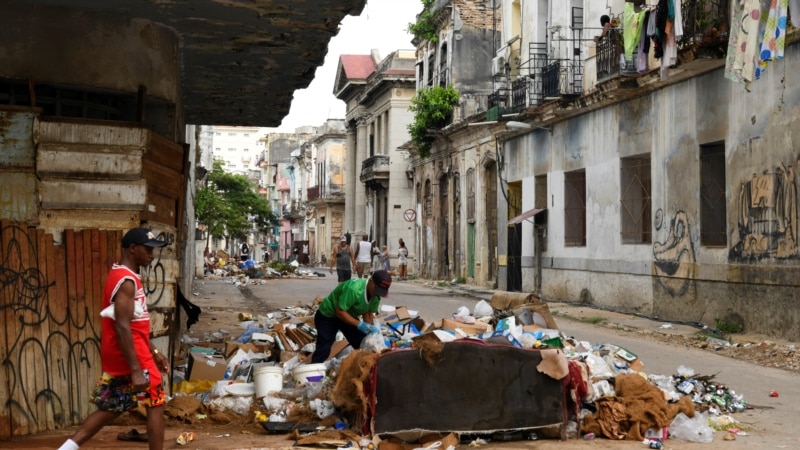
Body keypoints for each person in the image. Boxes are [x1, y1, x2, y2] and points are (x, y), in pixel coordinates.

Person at [58, 228, 170, 450]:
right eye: (148, 250)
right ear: (132, 249)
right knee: (155, 404)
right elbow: (122, 326)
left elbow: (134, 325)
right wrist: (137, 369)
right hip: (133, 357)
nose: (152, 255)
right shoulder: (127, 281)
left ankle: (66, 448)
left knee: (110, 408)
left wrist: (155, 352)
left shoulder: (122, 275)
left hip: (129, 353)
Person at [311, 270, 392, 363]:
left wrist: (372, 333)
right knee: (324, 346)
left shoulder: (376, 296)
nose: (378, 293)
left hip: (348, 315)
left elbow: (368, 313)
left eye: (381, 292)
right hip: (328, 314)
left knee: (362, 341)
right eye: (377, 290)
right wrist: (360, 325)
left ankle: (366, 366)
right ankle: (313, 369)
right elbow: (340, 311)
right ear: (371, 282)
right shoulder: (354, 289)